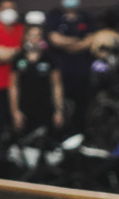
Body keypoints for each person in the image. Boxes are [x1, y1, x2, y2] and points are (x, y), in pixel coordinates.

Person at [45, 0, 98, 131]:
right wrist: (78, 40)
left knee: (82, 107)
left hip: (82, 73)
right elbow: (55, 39)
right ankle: (60, 134)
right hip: (62, 72)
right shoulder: (55, 18)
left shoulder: (86, 18)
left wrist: (67, 43)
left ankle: (81, 134)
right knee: (60, 106)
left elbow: (90, 40)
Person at [11, 19, 65, 136]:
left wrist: (58, 110)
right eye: (31, 35)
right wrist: (15, 112)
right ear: (26, 37)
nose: (34, 39)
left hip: (46, 108)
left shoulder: (49, 57)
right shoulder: (19, 58)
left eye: (38, 36)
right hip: (25, 109)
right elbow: (14, 87)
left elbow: (56, 85)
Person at [0, 4, 25, 136]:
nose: (9, 11)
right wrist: (20, 50)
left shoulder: (21, 29)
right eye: (5, 8)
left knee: (21, 124)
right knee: (2, 124)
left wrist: (10, 51)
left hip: (22, 85)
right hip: (1, 84)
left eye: (12, 8)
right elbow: (0, 56)